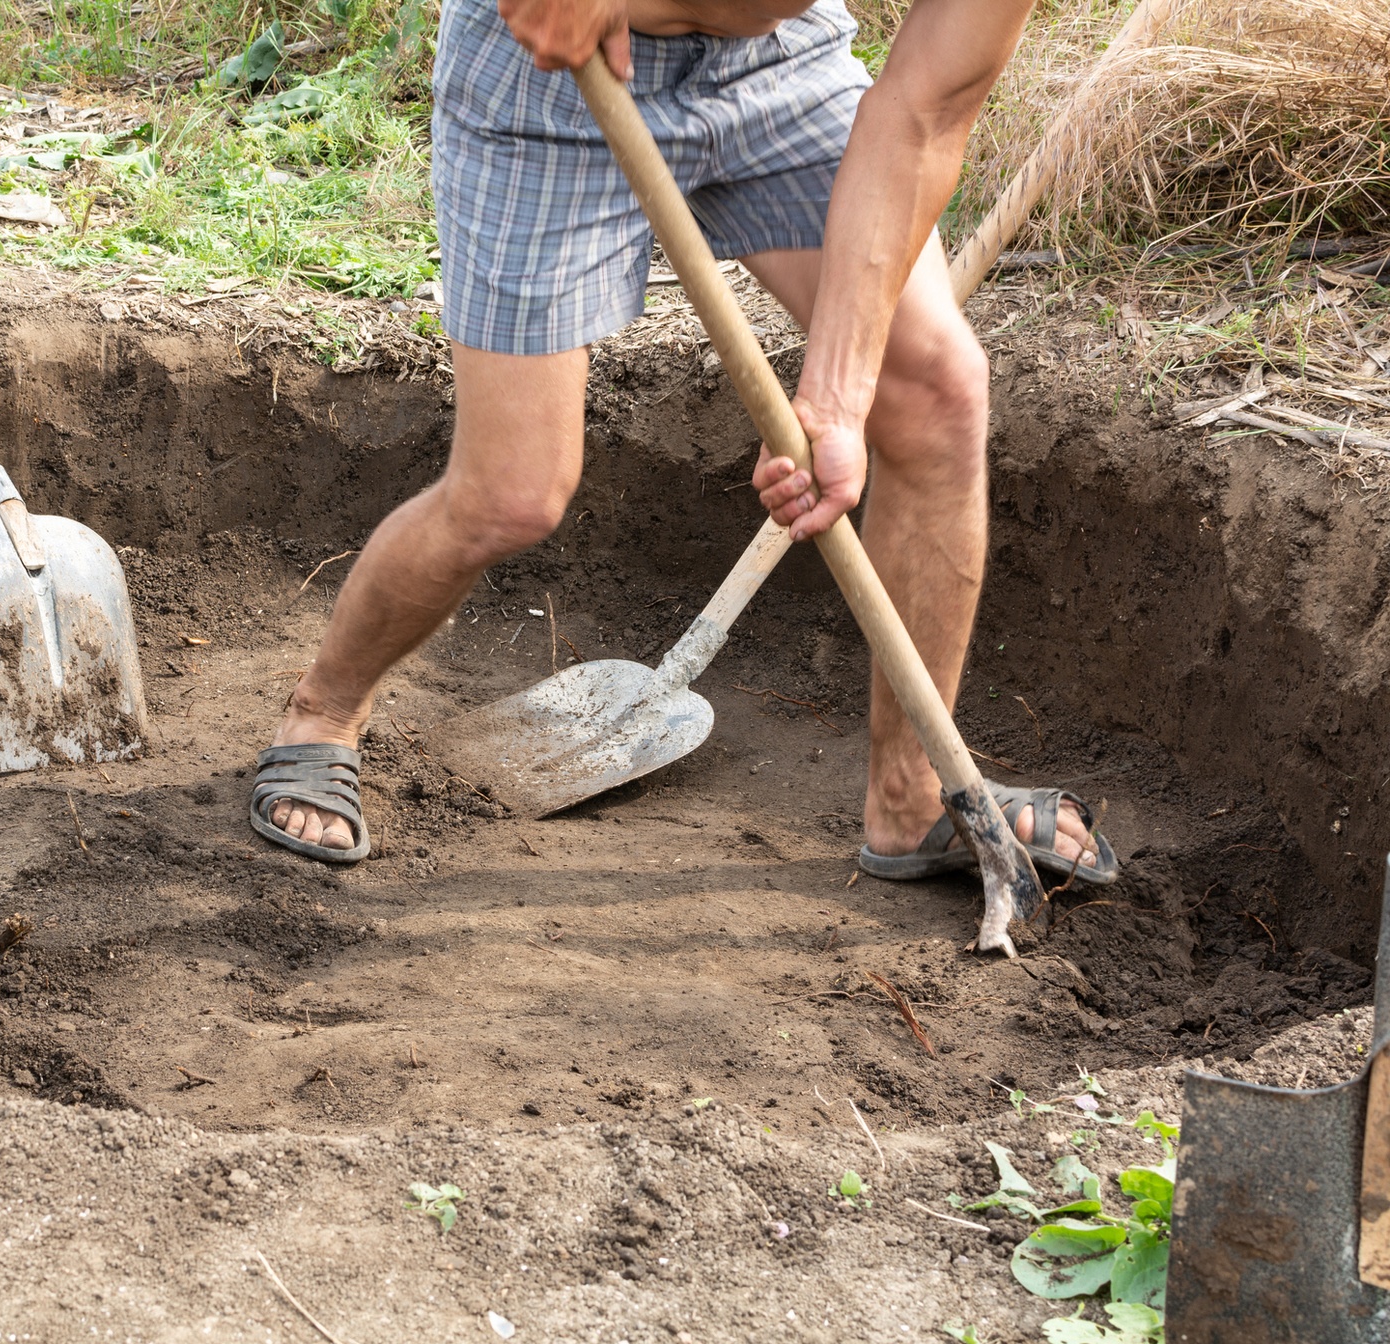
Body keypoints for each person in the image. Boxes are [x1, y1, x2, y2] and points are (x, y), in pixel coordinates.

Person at [247, 0, 1116, 892]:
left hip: (775, 62)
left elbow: (924, 114)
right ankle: (324, 709)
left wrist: (836, 399)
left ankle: (912, 797)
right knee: (512, 491)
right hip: (552, 73)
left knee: (935, 389)